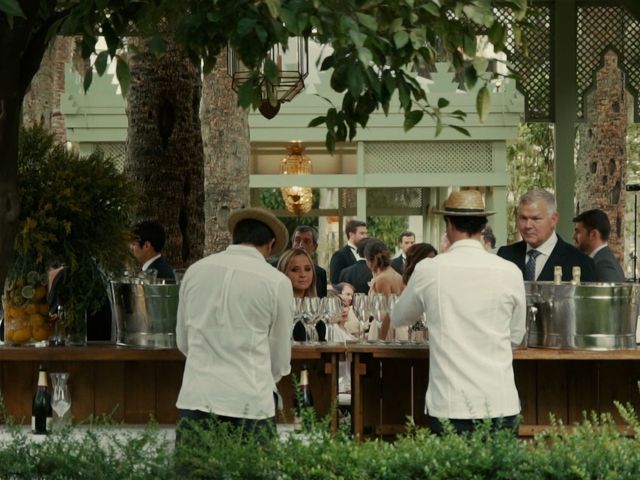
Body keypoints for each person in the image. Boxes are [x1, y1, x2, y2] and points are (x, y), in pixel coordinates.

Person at [388, 190, 526, 436]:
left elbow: (399, 317)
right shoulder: (510, 271)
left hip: (450, 402)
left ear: (449, 224)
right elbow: (516, 337)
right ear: (484, 225)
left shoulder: (430, 270)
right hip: (500, 400)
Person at [175, 207, 293, 440]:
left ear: (234, 237)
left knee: (194, 474)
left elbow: (183, 340)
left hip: (197, 396)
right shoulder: (276, 281)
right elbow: (279, 354)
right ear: (270, 245)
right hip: (251, 399)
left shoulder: (195, 271)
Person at [497, 189, 596, 282]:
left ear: (554, 219)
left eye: (536, 219)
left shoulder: (581, 262)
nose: (528, 226)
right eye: (523, 218)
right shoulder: (505, 256)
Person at [572, 209, 625, 282]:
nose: (574, 237)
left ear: (593, 234)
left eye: (578, 232)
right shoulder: (601, 261)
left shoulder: (603, 266)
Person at [291, 225, 328, 297]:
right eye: (297, 240)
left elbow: (323, 302)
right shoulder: (279, 268)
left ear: (315, 247)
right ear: (292, 243)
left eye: (306, 241)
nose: (301, 245)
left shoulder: (320, 273)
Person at [329, 219, 368, 285]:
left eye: (366, 233)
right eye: (362, 233)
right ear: (351, 235)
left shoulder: (369, 253)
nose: (366, 236)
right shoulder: (339, 255)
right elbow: (335, 282)